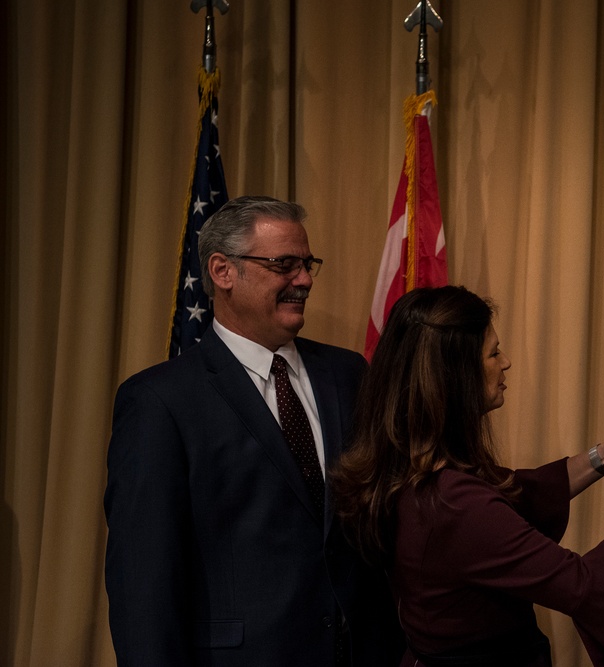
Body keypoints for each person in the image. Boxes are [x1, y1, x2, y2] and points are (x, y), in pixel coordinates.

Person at [332, 285, 604, 667]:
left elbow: (523, 492)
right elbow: (587, 586)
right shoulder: (455, 503)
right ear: (455, 377)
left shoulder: (410, 463)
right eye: (493, 353)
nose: (505, 362)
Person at [104, 196, 403, 666]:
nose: (304, 280)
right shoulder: (161, 402)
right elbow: (143, 582)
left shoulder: (348, 375)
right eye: (284, 264)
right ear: (223, 271)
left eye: (307, 264)